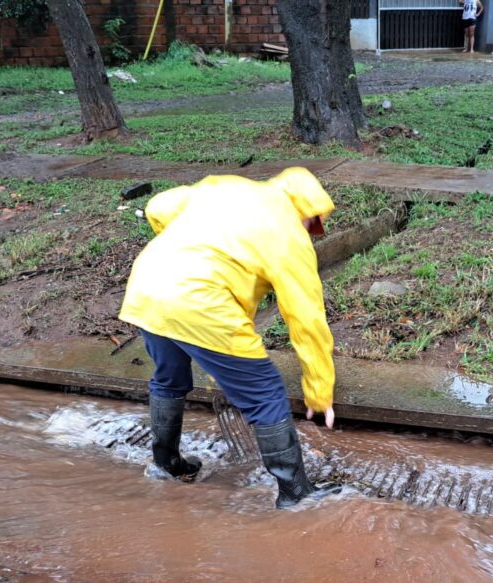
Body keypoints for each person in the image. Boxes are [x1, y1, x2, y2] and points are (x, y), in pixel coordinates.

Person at [118, 167, 342, 509]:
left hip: (147, 288)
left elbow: (158, 207)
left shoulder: (224, 189)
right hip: (203, 304)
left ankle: (165, 465)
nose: (312, 233)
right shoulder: (287, 233)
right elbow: (306, 317)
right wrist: (319, 391)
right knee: (265, 394)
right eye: (314, 224)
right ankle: (297, 494)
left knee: (168, 378)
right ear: (308, 211)